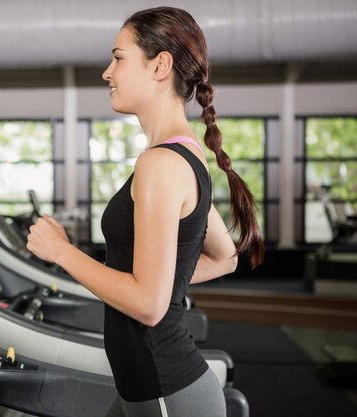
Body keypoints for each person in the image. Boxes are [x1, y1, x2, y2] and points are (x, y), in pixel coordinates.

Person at [26, 6, 264, 417]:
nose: (107, 72)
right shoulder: (187, 155)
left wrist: (61, 251)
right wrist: (160, 284)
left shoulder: (160, 164)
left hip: (167, 393)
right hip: (148, 387)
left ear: (160, 66)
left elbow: (150, 306)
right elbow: (223, 258)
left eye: (118, 58)